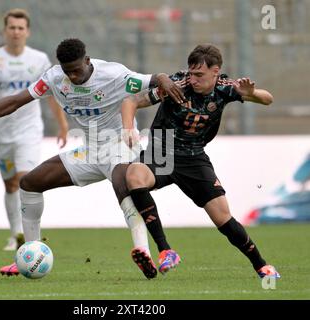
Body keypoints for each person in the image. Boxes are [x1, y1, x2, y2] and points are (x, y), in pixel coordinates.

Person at [0, 38, 185, 279]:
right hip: (90, 151)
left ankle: (143, 251)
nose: (73, 77)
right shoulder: (54, 78)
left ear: (88, 61)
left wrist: (164, 78)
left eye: (77, 70)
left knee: (124, 186)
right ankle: (30, 252)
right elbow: (15, 101)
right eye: (67, 71)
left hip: (120, 146)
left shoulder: (114, 74)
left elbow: (155, 79)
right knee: (29, 183)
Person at [120, 44, 280, 279]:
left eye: (199, 75)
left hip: (194, 157)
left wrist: (251, 93)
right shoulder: (176, 85)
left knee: (222, 217)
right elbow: (130, 102)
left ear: (216, 72)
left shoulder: (226, 88)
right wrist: (128, 130)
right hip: (161, 150)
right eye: (191, 73)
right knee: (134, 175)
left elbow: (268, 99)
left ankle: (262, 266)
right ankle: (165, 250)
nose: (192, 79)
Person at [0, 9, 69, 251]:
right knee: (10, 185)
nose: (16, 32)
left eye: (20, 28)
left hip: (29, 130)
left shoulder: (38, 60)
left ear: (27, 32)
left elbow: (51, 94)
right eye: (12, 28)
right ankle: (14, 232)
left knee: (25, 178)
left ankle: (26, 235)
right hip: (3, 133)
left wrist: (63, 124)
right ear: (5, 31)